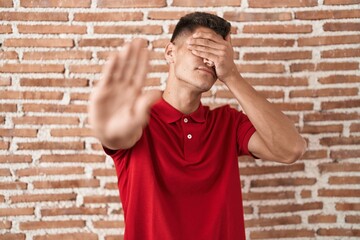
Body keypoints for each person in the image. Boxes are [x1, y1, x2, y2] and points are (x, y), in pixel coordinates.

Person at [88, 12, 307, 240]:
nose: (209, 60)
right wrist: (108, 131)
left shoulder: (228, 123)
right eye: (201, 48)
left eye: (217, 53)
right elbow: (119, 136)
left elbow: (290, 149)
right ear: (170, 52)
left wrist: (231, 74)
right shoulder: (138, 118)